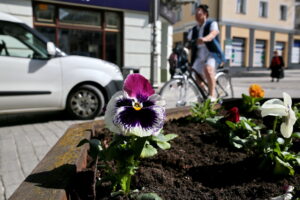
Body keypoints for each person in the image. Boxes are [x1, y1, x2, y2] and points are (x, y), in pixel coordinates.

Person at [187, 4, 225, 102]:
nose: (196, 14)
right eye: (195, 13)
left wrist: (204, 39)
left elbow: (213, 33)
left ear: (205, 14)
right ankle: (205, 92)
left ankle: (212, 95)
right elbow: (188, 42)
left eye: (198, 12)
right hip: (199, 54)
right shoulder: (194, 29)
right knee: (196, 75)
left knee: (208, 69)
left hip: (211, 53)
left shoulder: (212, 23)